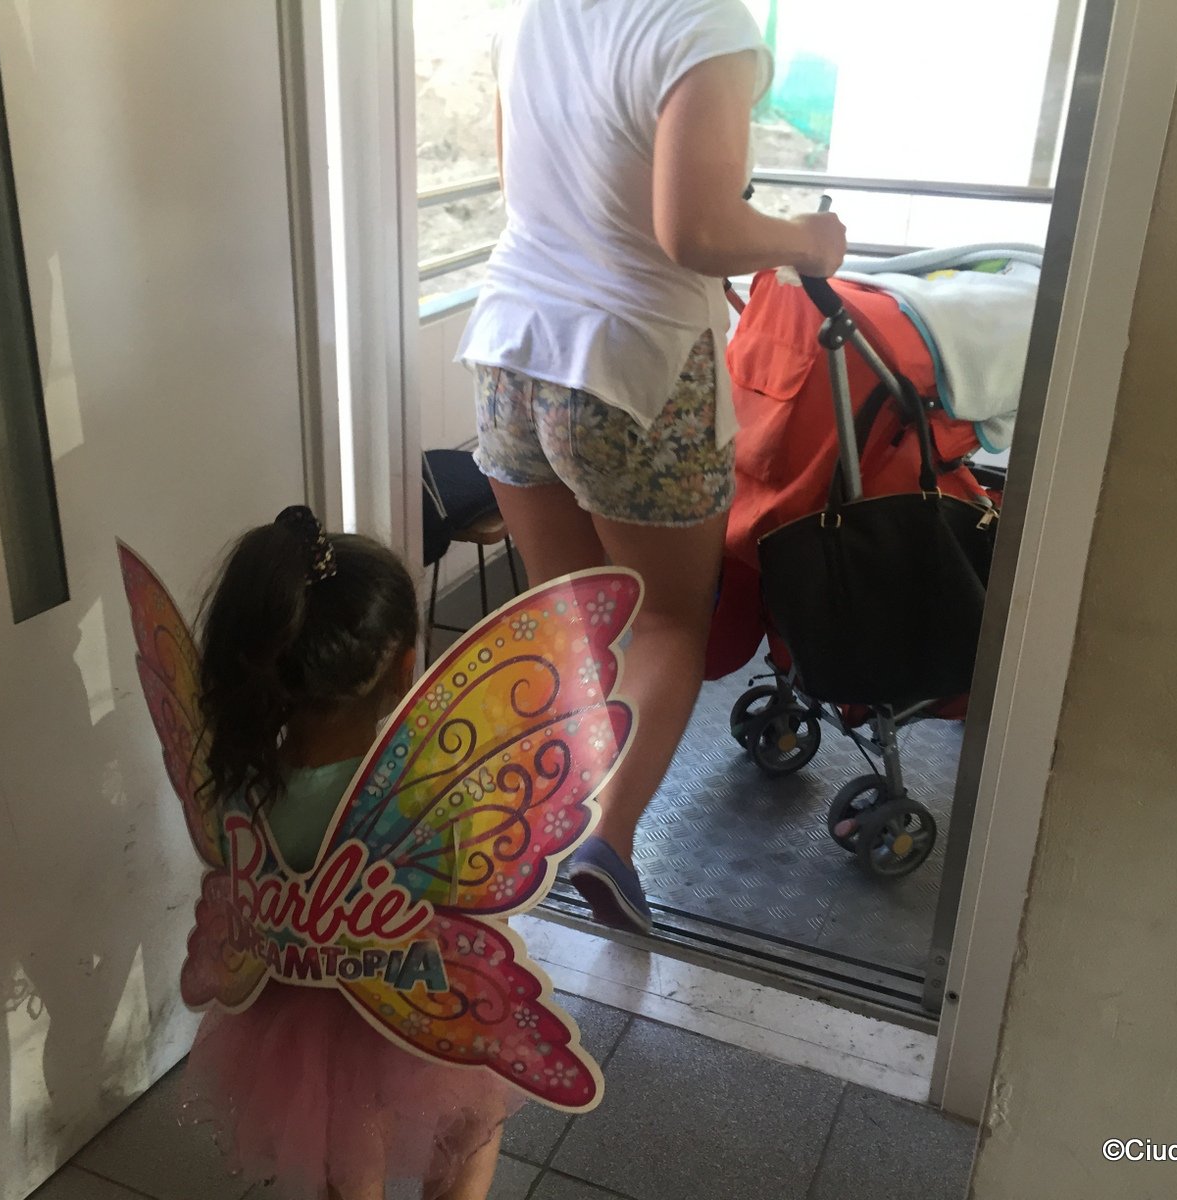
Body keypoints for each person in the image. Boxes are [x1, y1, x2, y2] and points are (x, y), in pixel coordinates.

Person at [458, 0, 850, 932]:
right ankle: (606, 836)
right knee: (666, 618)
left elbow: (528, 181)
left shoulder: (536, 14)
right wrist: (805, 240)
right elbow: (696, 231)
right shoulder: (703, 22)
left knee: (572, 618)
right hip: (631, 368)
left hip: (512, 346)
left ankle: (532, 824)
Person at [180, 507, 515, 1200]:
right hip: (414, 999)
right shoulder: (427, 800)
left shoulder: (240, 788)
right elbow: (478, 911)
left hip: (297, 1014)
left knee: (343, 1146)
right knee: (476, 1118)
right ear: (404, 667)